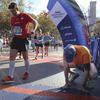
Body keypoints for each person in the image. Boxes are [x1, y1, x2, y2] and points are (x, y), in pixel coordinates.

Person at [2, 2, 38, 83]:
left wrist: (33, 30)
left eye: (14, 11)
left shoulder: (24, 15)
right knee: (11, 57)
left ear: (17, 9)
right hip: (15, 39)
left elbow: (35, 22)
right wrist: (11, 35)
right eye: (11, 11)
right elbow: (12, 27)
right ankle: (10, 76)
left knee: (25, 57)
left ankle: (26, 72)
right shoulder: (12, 18)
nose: (12, 13)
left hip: (23, 39)